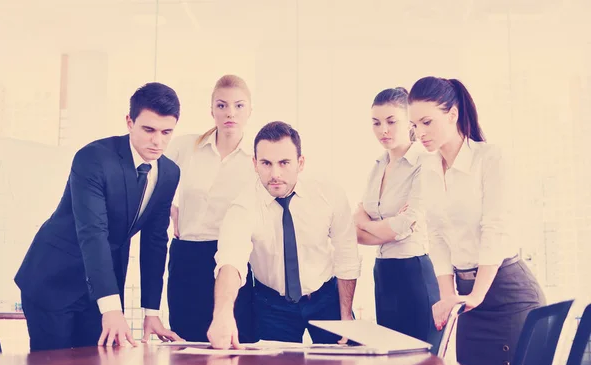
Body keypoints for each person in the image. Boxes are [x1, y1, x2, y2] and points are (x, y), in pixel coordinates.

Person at [14, 82, 183, 351]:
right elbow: (93, 232)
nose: (157, 141)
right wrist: (112, 307)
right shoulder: (93, 159)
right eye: (148, 129)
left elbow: (155, 241)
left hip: (103, 285)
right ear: (130, 122)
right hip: (54, 279)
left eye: (166, 132)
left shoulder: (169, 173)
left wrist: (151, 311)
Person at [407, 76, 545, 365]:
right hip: (468, 300)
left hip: (507, 294)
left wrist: (478, 294)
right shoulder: (428, 169)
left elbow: (494, 228)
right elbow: (438, 236)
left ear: (452, 114)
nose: (420, 133)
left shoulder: (490, 158)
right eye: (415, 125)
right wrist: (446, 297)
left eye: (427, 122)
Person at [207, 121, 361, 349]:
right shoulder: (243, 205)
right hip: (272, 305)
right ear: (254, 164)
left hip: (325, 297)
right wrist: (222, 313)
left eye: (284, 163)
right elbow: (230, 260)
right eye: (266, 163)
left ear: (300, 163)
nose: (275, 174)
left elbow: (346, 254)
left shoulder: (329, 193)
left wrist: (346, 314)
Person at [166, 75, 255, 342]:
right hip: (187, 255)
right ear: (212, 110)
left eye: (239, 106)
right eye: (222, 105)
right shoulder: (185, 147)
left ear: (250, 110)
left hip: (231, 258)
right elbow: (150, 179)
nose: (230, 113)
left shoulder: (256, 158)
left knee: (232, 344)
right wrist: (170, 210)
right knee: (185, 343)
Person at [354, 87, 441, 345]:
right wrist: (382, 227)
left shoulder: (425, 163)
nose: (384, 130)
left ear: (409, 123)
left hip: (415, 273)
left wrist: (367, 223)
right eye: (376, 123)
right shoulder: (378, 166)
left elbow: (402, 227)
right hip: (383, 274)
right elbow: (355, 228)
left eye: (392, 122)